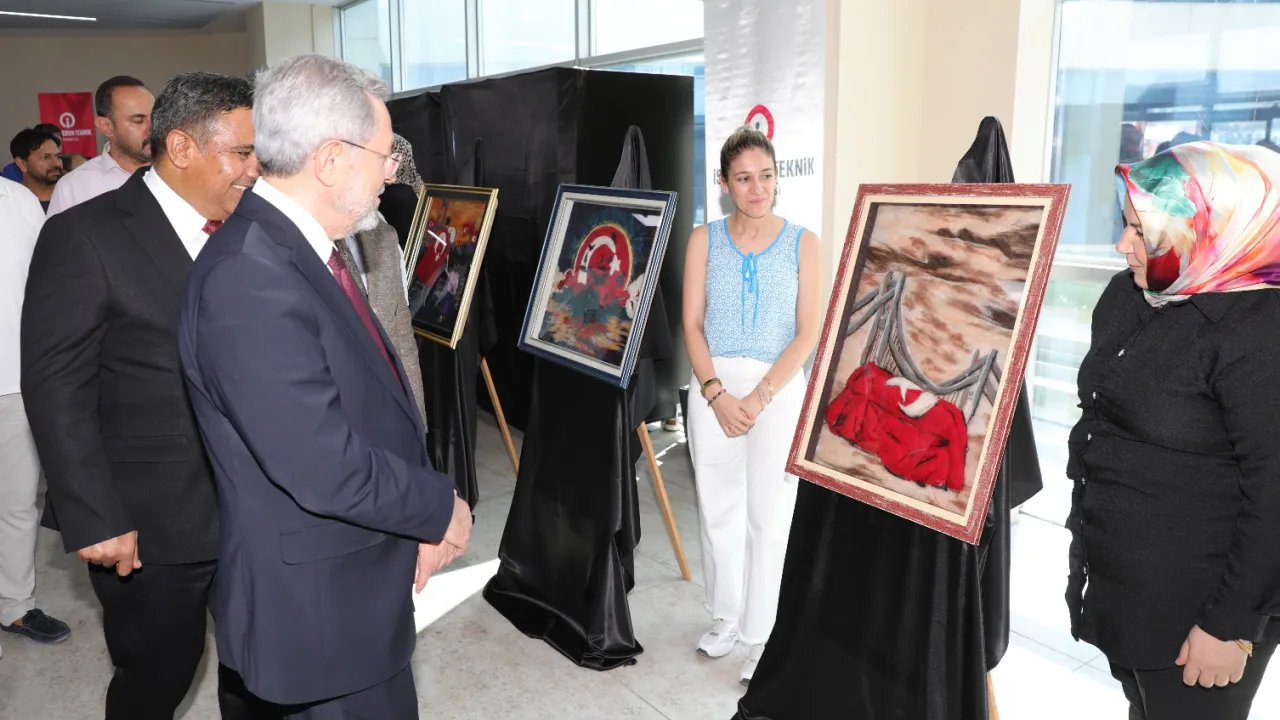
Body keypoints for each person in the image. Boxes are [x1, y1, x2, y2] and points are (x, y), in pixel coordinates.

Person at [178, 54, 470, 718]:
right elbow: (322, 466)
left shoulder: (300, 249)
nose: (391, 172)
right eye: (384, 155)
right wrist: (438, 507)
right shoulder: (250, 276)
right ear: (331, 159)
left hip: (347, 592)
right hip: (317, 622)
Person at [20, 71, 260, 719]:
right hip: (151, 523)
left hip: (254, 510)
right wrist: (95, 515)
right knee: (158, 677)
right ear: (181, 147)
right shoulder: (84, 234)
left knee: (260, 669)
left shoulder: (250, 228)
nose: (254, 168)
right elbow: (56, 386)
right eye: (242, 152)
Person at [1067, 141, 1280, 720]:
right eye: (1126, 225)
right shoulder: (1132, 295)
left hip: (1203, 608)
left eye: (1143, 232)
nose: (1122, 245)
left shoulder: (1260, 330)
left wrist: (1230, 625)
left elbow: (1274, 495)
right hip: (1128, 584)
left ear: (1209, 230)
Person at [681, 125, 822, 686]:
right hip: (712, 387)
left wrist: (760, 396)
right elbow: (691, 324)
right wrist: (716, 394)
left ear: (777, 178)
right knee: (717, 508)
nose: (757, 188)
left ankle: (763, 636)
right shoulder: (703, 240)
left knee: (770, 514)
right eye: (743, 178)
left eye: (766, 175)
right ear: (723, 183)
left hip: (778, 391)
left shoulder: (804, 242)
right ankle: (727, 617)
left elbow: (807, 333)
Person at [0, 177, 70, 661]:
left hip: (14, 379)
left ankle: (15, 605)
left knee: (19, 501)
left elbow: (48, 283)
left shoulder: (17, 200)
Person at [332, 132, 427, 427]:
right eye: (383, 159)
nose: (392, 177)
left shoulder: (383, 236)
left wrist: (418, 426)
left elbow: (402, 338)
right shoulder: (292, 243)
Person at [47, 76, 153, 216]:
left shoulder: (179, 175)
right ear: (106, 126)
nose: (152, 129)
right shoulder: (73, 188)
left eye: (156, 118)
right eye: (138, 121)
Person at [9, 127, 64, 211]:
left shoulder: (75, 197)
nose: (56, 163)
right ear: (22, 164)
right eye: (45, 157)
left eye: (58, 156)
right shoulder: (9, 204)